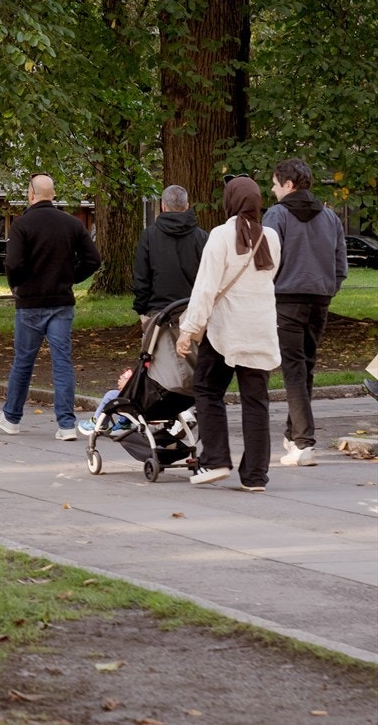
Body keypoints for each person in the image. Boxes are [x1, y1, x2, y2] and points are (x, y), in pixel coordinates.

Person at [178, 177, 281, 490]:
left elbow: (206, 287)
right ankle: (255, 476)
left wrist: (189, 329)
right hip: (260, 328)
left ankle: (216, 460)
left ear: (231, 202)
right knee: (256, 402)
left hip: (225, 330)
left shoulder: (220, 236)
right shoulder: (272, 237)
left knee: (208, 390)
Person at [0, 174, 102, 440]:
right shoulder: (72, 224)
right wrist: (70, 277)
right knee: (62, 362)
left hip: (30, 302)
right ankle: (66, 424)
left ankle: (12, 417)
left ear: (31, 193)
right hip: (61, 302)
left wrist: (16, 287)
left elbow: (13, 264)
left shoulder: (22, 225)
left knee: (23, 361)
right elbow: (93, 260)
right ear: (52, 194)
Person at [263, 158, 348, 466]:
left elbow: (266, 260)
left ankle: (304, 442)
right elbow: (341, 264)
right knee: (305, 368)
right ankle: (293, 435)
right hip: (320, 298)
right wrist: (329, 288)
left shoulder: (276, 215)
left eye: (275, 184)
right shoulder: (330, 217)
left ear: (288, 185)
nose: (272, 190)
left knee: (294, 370)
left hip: (286, 298)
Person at [132, 185, 207, 321]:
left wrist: (141, 310)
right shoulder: (202, 237)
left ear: (163, 206)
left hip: (158, 312)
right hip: (193, 312)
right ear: (187, 206)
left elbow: (141, 277)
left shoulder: (149, 236)